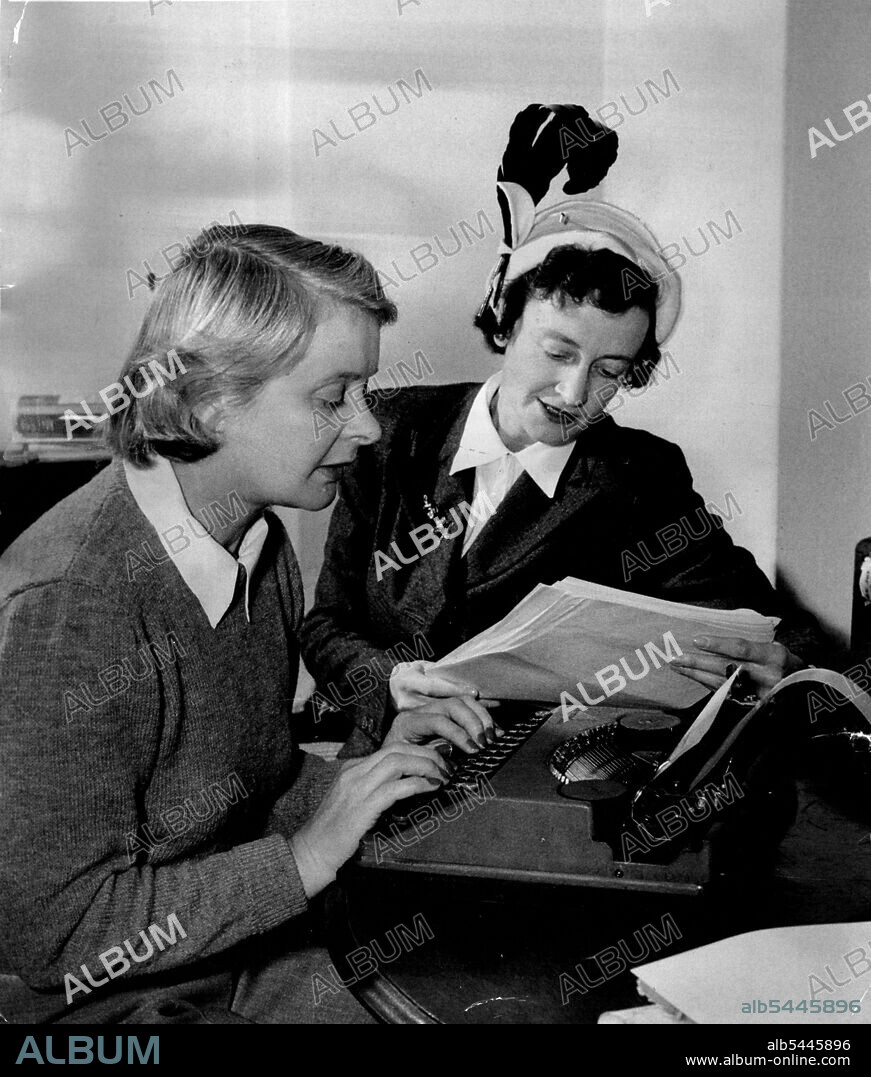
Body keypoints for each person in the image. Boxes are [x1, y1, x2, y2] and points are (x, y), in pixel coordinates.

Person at [0, 225, 492, 1024]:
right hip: (87, 1004)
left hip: (227, 953)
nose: (366, 429)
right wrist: (303, 859)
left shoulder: (257, 543)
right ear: (210, 400)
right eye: (333, 397)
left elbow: (252, 783)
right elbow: (53, 932)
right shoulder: (69, 604)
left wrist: (371, 773)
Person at [301, 104, 828, 758]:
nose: (575, 393)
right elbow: (327, 623)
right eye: (557, 353)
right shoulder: (386, 430)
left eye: (609, 370)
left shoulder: (636, 477)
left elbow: (776, 630)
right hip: (378, 765)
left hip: (532, 786)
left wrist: (784, 666)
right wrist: (390, 681)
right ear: (505, 319)